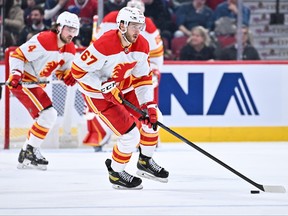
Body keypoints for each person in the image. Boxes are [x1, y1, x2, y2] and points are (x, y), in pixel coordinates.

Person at [71, 6, 169, 190]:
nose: (138, 31)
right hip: (98, 95)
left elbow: (142, 78)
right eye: (134, 26)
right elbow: (77, 71)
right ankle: (116, 173)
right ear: (122, 25)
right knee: (130, 136)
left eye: (140, 26)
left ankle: (145, 162)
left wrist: (149, 104)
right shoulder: (104, 45)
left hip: (125, 86)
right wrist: (101, 86)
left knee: (155, 118)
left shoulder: (142, 44)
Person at [6, 11, 79, 170]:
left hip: (35, 84)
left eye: (75, 30)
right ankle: (30, 151)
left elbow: (62, 71)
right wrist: (16, 74)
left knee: (44, 116)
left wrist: (67, 76)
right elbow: (17, 55)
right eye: (69, 29)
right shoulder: (44, 39)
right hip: (24, 82)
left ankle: (26, 152)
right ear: (59, 27)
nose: (71, 33)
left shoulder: (70, 48)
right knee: (48, 114)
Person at [88, 0, 163, 152]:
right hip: (107, 76)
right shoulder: (110, 20)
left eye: (138, 21)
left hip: (131, 78)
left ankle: (147, 141)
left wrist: (153, 70)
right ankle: (100, 136)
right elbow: (95, 50)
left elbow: (156, 57)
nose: (136, 26)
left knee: (149, 106)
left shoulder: (148, 28)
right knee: (97, 101)